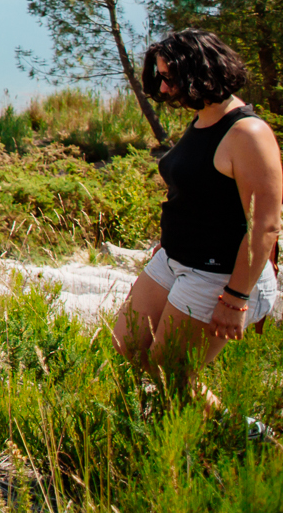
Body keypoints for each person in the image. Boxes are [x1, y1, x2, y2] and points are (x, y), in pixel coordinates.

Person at [114, 29, 281, 411]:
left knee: (171, 370)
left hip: (220, 274)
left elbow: (266, 225)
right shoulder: (204, 119)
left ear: (200, 73)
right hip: (175, 260)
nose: (166, 88)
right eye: (161, 78)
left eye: (170, 77)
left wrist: (236, 299)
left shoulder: (247, 132)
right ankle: (175, 426)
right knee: (127, 344)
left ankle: (250, 443)